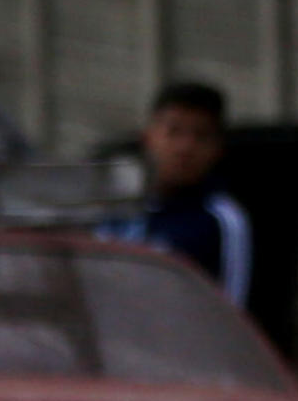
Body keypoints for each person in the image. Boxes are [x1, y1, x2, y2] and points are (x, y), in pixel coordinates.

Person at [106, 78, 254, 312]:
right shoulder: (115, 205)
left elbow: (231, 311)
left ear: (217, 149)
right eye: (173, 132)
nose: (185, 147)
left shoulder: (219, 220)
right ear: (149, 138)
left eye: (200, 136)